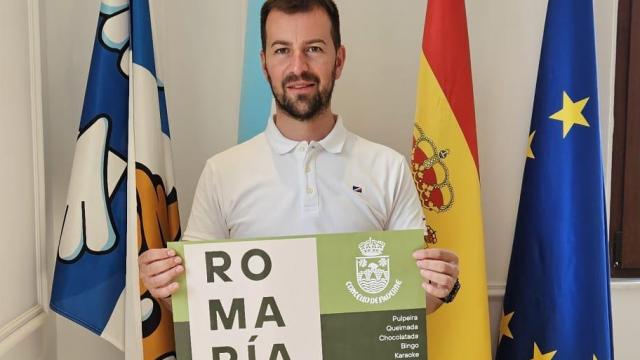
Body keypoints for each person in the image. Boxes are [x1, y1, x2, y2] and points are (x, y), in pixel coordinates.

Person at [139, 0, 459, 315]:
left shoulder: (388, 168)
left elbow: (414, 301)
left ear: (339, 60)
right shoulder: (221, 173)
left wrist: (439, 287)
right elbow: (196, 302)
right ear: (265, 64)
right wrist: (164, 286)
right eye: (282, 50)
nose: (298, 67)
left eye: (314, 49)